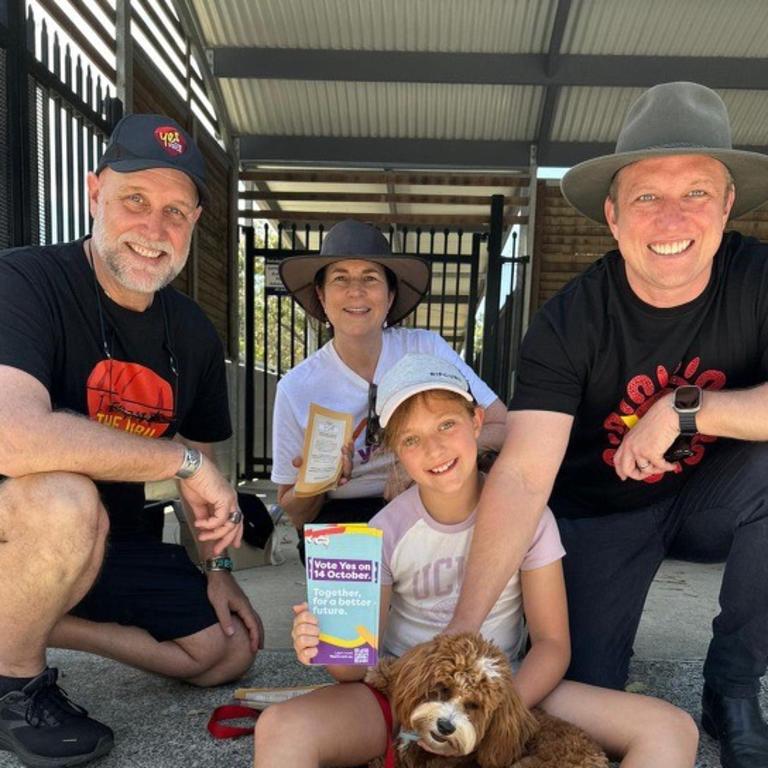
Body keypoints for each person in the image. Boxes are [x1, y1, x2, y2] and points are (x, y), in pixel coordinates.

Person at [446, 81, 768, 768]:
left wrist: (688, 408)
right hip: (599, 513)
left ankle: (734, 682)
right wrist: (463, 631)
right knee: (580, 696)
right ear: (614, 215)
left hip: (717, 496)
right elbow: (526, 470)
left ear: (728, 205)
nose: (671, 216)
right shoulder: (570, 320)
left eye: (696, 193)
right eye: (648, 196)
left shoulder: (758, 279)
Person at [253, 354, 698, 767]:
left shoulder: (529, 516)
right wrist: (321, 638)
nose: (434, 449)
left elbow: (552, 644)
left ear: (477, 420)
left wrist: (494, 715)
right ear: (396, 452)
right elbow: (352, 669)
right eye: (411, 439)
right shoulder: (383, 531)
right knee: (281, 727)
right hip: (405, 692)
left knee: (670, 728)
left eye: (447, 425)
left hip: (505, 688)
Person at [0, 113, 262, 767]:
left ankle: (38, 618)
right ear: (95, 193)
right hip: (24, 532)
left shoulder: (193, 334)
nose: (154, 229)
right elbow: (13, 438)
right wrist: (181, 459)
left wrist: (219, 567)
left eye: (176, 210)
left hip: (98, 549)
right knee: (64, 498)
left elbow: (207, 483)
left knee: (227, 649)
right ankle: (14, 687)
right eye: (135, 200)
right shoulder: (26, 281)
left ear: (195, 223)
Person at [272, 219, 508, 561]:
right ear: (321, 296)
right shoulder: (296, 388)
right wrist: (317, 480)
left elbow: (502, 427)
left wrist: (417, 464)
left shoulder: (426, 348)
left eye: (370, 278)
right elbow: (297, 513)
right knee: (354, 614)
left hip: (433, 497)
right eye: (340, 279)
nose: (356, 291)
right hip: (345, 517)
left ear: (390, 294)